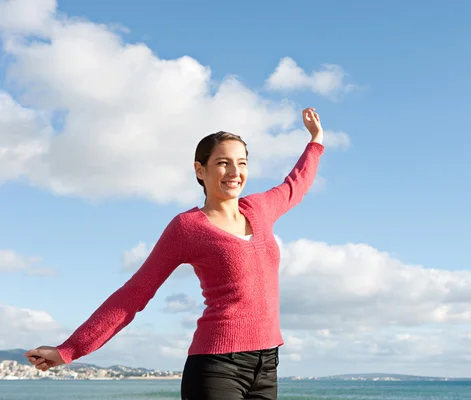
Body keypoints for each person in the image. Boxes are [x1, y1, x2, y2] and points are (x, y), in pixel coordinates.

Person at [25, 107, 325, 399]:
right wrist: (71, 349)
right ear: (200, 169)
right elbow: (134, 294)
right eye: (223, 162)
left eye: (242, 163)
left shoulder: (259, 209)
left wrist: (315, 141)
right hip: (218, 367)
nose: (235, 172)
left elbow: (295, 186)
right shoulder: (187, 227)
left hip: (267, 365)